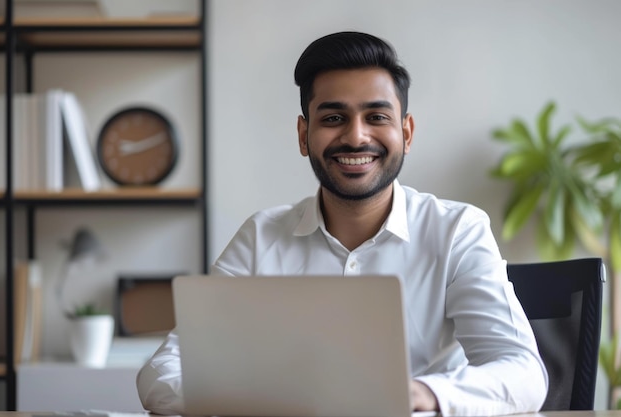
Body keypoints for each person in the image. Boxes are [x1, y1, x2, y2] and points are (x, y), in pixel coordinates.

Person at [136, 31, 548, 416]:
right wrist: (267, 400)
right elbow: (161, 374)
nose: (355, 137)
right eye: (333, 118)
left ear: (406, 132)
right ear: (304, 135)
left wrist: (421, 394)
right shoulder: (261, 237)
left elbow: (524, 375)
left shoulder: (457, 230)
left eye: (376, 117)